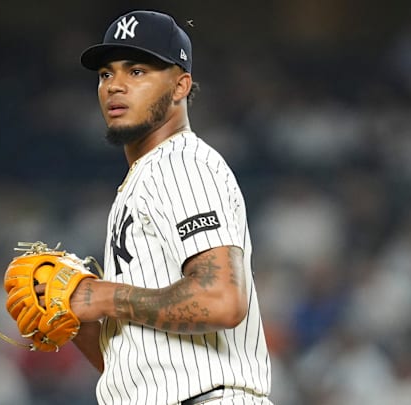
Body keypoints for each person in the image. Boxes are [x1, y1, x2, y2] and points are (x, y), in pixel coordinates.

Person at [67, 10, 273, 405]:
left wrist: (105, 297)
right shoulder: (142, 179)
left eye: (137, 71)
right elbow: (143, 368)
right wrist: (78, 320)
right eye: (106, 74)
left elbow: (222, 299)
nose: (115, 86)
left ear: (180, 86)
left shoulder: (181, 163)